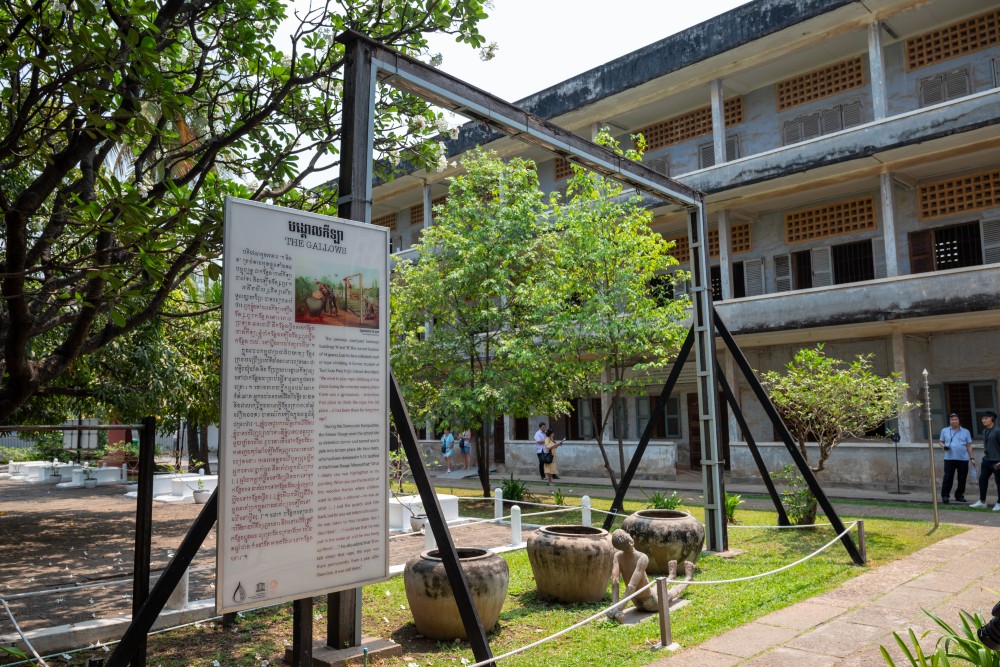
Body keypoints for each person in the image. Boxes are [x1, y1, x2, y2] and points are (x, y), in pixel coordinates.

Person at [607, 529, 694, 623]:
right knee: (671, 592)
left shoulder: (617, 556)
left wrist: (616, 607)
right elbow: (631, 585)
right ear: (631, 541)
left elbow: (616, 583)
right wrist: (618, 609)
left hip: (636, 602)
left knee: (656, 588)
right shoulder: (642, 557)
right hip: (652, 603)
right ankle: (688, 579)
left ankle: (671, 577)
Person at [940, 412, 975, 504]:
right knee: (948, 477)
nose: (954, 421)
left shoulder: (966, 431)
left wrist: (972, 458)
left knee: (962, 478)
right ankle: (945, 496)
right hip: (949, 458)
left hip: (963, 459)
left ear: (959, 420)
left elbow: (969, 445)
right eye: (952, 419)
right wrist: (943, 447)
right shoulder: (944, 430)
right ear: (949, 421)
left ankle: (959, 495)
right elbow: (941, 441)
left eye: (956, 419)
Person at [971, 411, 1000, 510]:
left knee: (999, 482)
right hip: (987, 460)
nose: (983, 420)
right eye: (982, 418)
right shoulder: (985, 431)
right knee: (982, 480)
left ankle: (999, 503)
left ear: (992, 419)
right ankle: (982, 501)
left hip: (997, 461)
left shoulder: (998, 431)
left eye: (986, 418)